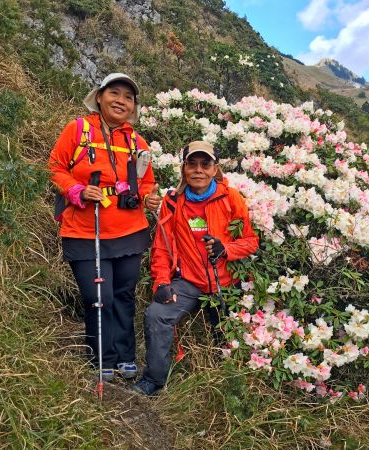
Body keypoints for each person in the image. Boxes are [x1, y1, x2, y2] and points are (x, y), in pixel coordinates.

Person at [49, 73, 161, 381]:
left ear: (133, 106)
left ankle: (125, 356)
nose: (121, 100)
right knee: (99, 296)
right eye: (115, 93)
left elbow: (148, 181)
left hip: (130, 230)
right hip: (86, 230)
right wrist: (77, 190)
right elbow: (55, 167)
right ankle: (102, 356)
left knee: (124, 294)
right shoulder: (78, 130)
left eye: (128, 97)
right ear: (99, 96)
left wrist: (150, 197)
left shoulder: (137, 142)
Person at [132, 141, 259, 396]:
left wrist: (226, 249)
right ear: (184, 168)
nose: (198, 169)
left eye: (205, 164)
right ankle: (155, 379)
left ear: (215, 169)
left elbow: (250, 241)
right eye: (192, 163)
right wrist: (162, 283)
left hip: (225, 283)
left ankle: (227, 386)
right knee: (157, 315)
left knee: (226, 338)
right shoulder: (172, 202)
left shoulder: (230, 198)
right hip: (188, 282)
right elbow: (161, 248)